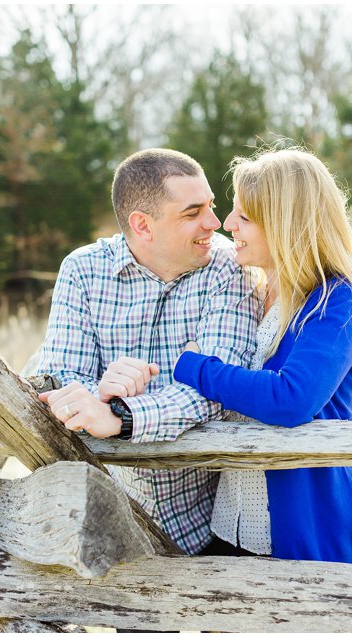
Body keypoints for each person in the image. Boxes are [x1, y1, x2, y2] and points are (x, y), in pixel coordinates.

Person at [35, 148, 260, 556]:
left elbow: (221, 386)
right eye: (193, 213)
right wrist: (100, 393)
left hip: (214, 519)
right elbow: (62, 378)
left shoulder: (229, 267)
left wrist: (119, 415)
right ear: (142, 225)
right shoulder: (83, 271)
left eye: (211, 206)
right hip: (120, 519)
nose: (214, 223)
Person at [166, 148, 352, 564]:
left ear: (285, 225)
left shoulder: (337, 300)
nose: (228, 225)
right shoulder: (250, 290)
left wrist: (195, 367)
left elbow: (291, 397)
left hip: (313, 533)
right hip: (233, 525)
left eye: (243, 217)